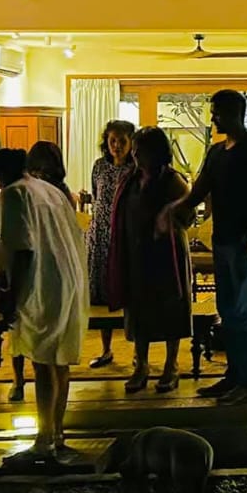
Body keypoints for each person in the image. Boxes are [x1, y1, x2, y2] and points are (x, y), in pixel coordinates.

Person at [169, 90, 247, 407]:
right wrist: (171, 211)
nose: (213, 117)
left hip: (246, 242)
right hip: (222, 240)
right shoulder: (216, 152)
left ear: (234, 113)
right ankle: (234, 376)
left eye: (217, 112)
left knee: (244, 310)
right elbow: (198, 192)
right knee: (228, 310)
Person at [0, 148, 88, 465]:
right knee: (60, 361)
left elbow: (23, 250)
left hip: (42, 282)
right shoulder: (49, 190)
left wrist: (10, 297)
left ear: (1, 177)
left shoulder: (13, 194)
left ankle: (44, 440)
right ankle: (57, 433)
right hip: (68, 278)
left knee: (43, 361)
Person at [109, 126, 192, 394]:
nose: (135, 155)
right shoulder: (131, 180)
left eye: (141, 150)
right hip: (137, 253)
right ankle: (141, 365)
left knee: (170, 308)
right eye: (135, 150)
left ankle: (171, 366)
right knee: (138, 310)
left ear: (155, 152)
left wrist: (169, 215)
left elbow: (188, 214)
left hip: (166, 254)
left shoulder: (172, 180)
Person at [83, 121, 135, 370]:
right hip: (100, 236)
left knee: (127, 292)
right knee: (102, 295)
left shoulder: (136, 169)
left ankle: (137, 351)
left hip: (126, 236)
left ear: (131, 142)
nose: (117, 146)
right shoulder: (99, 166)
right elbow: (96, 197)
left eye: (122, 141)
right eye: (113, 140)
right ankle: (106, 349)